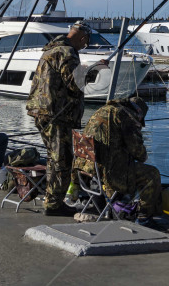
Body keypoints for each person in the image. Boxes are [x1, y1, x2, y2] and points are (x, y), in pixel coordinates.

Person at [26, 21, 105, 216]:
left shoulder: (50, 50)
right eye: (85, 42)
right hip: (57, 115)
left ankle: (52, 198)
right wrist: (95, 69)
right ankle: (54, 204)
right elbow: (75, 84)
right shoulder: (68, 52)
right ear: (82, 38)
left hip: (42, 111)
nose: (85, 46)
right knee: (61, 159)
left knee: (54, 157)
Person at [73, 97, 161, 226]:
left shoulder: (103, 109)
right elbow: (139, 153)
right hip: (107, 172)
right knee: (152, 174)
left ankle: (116, 208)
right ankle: (144, 218)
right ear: (139, 113)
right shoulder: (126, 116)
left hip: (87, 169)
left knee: (122, 163)